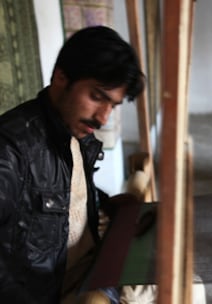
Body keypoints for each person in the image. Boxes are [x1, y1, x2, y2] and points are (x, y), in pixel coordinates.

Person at [0, 26, 145, 303]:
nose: (103, 117)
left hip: (95, 272)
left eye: (112, 105)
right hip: (61, 294)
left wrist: (105, 203)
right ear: (60, 78)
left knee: (190, 283)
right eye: (97, 96)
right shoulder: (11, 149)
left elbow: (61, 199)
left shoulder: (77, 134)